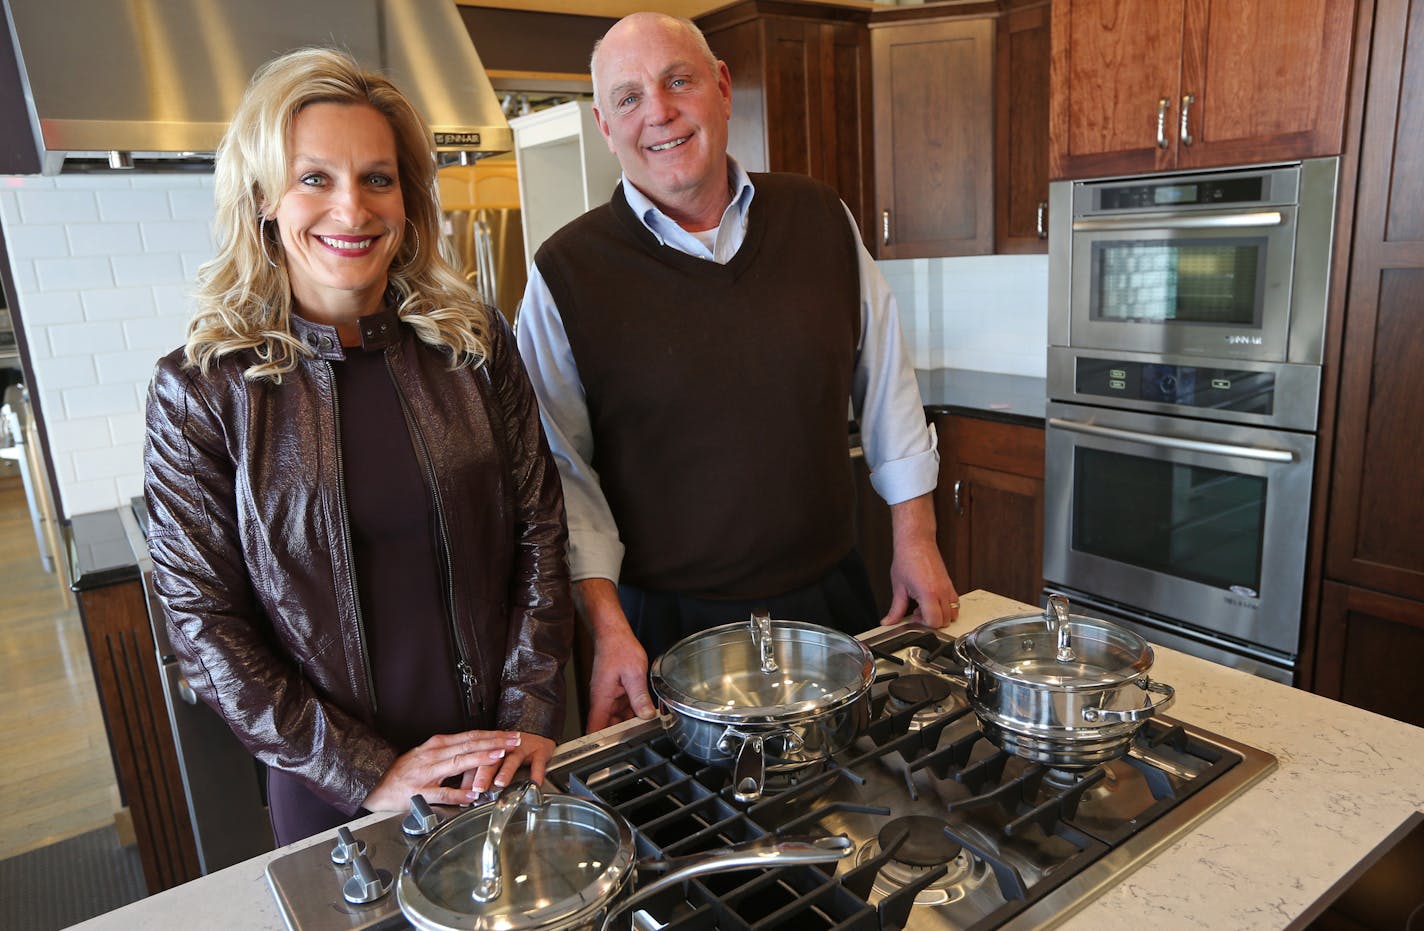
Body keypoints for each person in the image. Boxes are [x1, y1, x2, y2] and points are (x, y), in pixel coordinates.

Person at [143, 48, 573, 846]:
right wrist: (367, 770)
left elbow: (541, 534)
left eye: (378, 178)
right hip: (338, 791)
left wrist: (531, 713)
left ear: (407, 197)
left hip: (507, 759)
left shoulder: (475, 346)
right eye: (315, 179)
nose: (353, 208)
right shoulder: (203, 391)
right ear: (264, 198)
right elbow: (204, 625)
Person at [515, 13, 958, 734]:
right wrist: (605, 627)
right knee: (694, 832)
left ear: (721, 88)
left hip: (832, 600)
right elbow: (560, 475)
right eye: (628, 98)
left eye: (678, 81)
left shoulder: (820, 217)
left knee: (853, 806)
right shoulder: (564, 273)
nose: (657, 112)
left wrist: (915, 536)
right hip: (666, 631)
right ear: (604, 123)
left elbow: (887, 385)